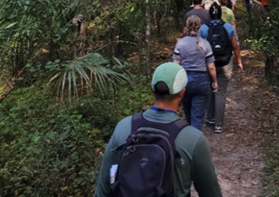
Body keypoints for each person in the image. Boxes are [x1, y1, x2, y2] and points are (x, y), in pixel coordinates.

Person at [94, 62, 223, 197]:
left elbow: (102, 189)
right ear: (182, 92)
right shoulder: (192, 139)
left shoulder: (124, 127)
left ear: (152, 88)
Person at [200, 4, 244, 134]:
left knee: (210, 89)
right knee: (221, 92)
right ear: (220, 14)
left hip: (209, 63)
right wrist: (239, 61)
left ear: (209, 14)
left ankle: (210, 118)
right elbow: (235, 46)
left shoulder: (203, 28)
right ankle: (219, 125)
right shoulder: (228, 27)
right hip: (225, 62)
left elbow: (199, 47)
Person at [173, 16, 219, 130]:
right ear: (199, 26)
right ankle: (195, 141)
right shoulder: (205, 44)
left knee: (188, 113)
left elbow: (175, 65)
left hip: (185, 81)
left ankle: (190, 136)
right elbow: (211, 67)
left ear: (187, 26)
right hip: (201, 82)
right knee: (197, 117)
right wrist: (214, 82)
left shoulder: (180, 43)